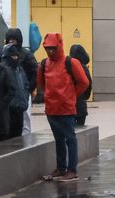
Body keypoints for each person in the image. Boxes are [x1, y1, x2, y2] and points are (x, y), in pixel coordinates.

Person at [37, 32, 90, 182]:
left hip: (65, 108)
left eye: (52, 48)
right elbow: (41, 83)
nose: (50, 51)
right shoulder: (44, 64)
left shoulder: (70, 62)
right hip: (52, 109)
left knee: (69, 138)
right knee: (59, 139)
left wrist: (71, 95)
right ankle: (61, 168)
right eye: (47, 48)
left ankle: (71, 169)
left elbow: (84, 82)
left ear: (59, 46)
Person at [4, 27, 38, 136]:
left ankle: (26, 138)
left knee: (25, 117)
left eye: (14, 39)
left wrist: (29, 88)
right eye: (10, 39)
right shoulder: (4, 53)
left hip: (23, 90)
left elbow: (34, 72)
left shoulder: (26, 54)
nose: (11, 42)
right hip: (9, 92)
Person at [2, 43, 31, 141]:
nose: (15, 58)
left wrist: (25, 99)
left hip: (19, 108)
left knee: (18, 139)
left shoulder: (19, 69)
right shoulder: (3, 70)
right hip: (8, 110)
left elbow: (26, 86)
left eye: (16, 56)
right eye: (13, 56)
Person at [68, 44, 93, 126]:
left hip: (68, 104)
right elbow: (88, 85)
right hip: (80, 104)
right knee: (80, 131)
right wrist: (84, 97)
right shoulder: (83, 67)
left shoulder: (67, 66)